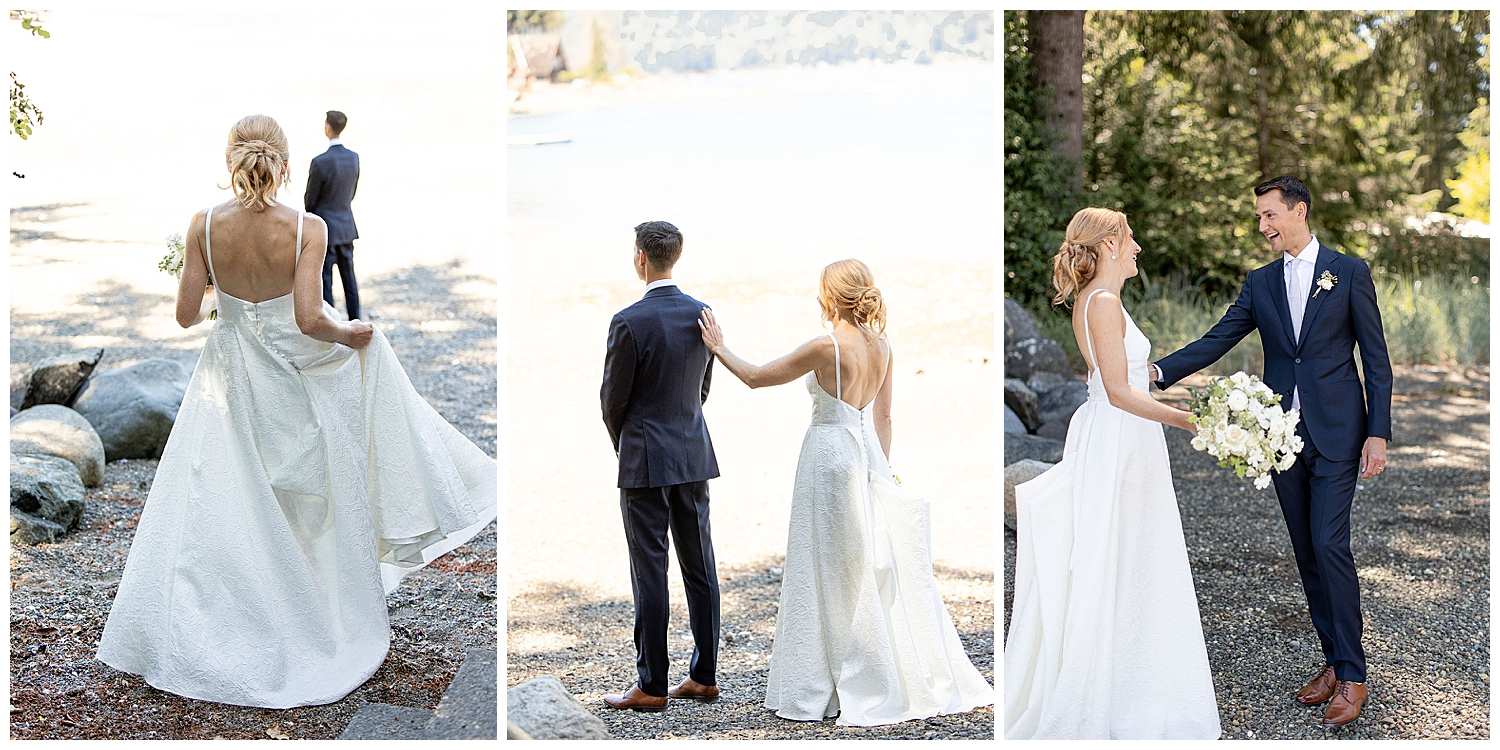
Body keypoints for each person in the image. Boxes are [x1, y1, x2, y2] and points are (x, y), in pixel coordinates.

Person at [96, 115, 497, 709]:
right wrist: (354, 332)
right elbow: (311, 319)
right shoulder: (306, 227)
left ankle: (220, 625)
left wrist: (214, 283)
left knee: (224, 504)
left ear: (231, 159)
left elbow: (185, 316)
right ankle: (309, 620)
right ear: (285, 163)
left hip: (230, 380)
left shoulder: (202, 224)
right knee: (303, 506)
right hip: (290, 381)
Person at [697, 259, 993, 727]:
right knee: (860, 564)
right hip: (864, 455)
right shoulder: (884, 346)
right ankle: (866, 663)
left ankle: (828, 679)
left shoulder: (825, 346)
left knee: (823, 566)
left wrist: (718, 346)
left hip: (827, 454)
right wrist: (882, 471)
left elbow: (756, 377)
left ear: (830, 296)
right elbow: (885, 418)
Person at [1150, 176, 1392, 726]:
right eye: (1259, 217)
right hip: (1280, 437)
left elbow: (1376, 360)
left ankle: (1353, 676)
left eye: (1269, 216)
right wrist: (1158, 372)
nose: (1262, 226)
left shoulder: (1349, 272)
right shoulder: (1260, 284)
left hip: (1339, 433)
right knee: (1307, 553)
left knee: (1331, 546)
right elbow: (1219, 337)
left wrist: (1378, 432)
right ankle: (1333, 661)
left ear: (1299, 211)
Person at [1004, 207, 1221, 740]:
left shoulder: (1102, 302)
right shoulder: (1101, 302)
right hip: (1120, 437)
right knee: (1118, 554)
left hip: (1124, 436)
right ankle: (1111, 696)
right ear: (1105, 245)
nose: (1138, 247)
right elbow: (1121, 393)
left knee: (1131, 553)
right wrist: (1189, 421)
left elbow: (1129, 381)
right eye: (1129, 238)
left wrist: (1211, 399)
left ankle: (1132, 684)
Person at [600, 221, 722, 712]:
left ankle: (652, 685)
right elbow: (703, 388)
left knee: (650, 569)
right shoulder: (703, 314)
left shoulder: (627, 321)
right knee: (701, 566)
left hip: (645, 460)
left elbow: (613, 400)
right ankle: (704, 676)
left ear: (641, 259)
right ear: (676, 257)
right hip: (693, 453)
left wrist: (623, 443)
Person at [305, 110, 361, 321]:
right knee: (350, 280)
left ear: (327, 127)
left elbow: (310, 200)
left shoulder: (320, 162)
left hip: (326, 229)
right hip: (346, 227)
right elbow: (351, 193)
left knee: (325, 281)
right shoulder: (353, 158)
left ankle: (332, 322)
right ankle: (357, 320)